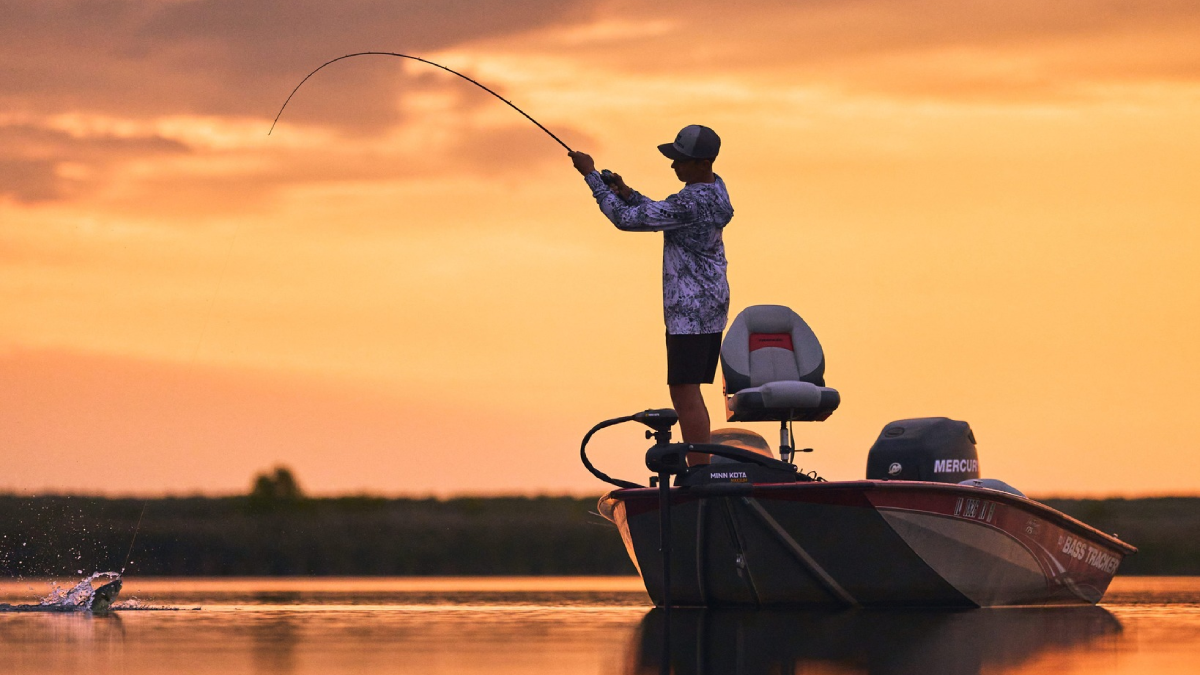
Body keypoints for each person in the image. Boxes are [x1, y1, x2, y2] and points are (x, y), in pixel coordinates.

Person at [569, 124, 733, 465]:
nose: (674, 166)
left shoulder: (690, 202)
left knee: (683, 391)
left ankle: (700, 470)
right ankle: (700, 465)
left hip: (689, 309)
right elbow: (659, 213)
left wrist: (592, 178)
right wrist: (626, 191)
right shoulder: (716, 190)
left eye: (681, 160)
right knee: (690, 389)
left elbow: (626, 221)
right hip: (711, 304)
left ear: (703, 163)